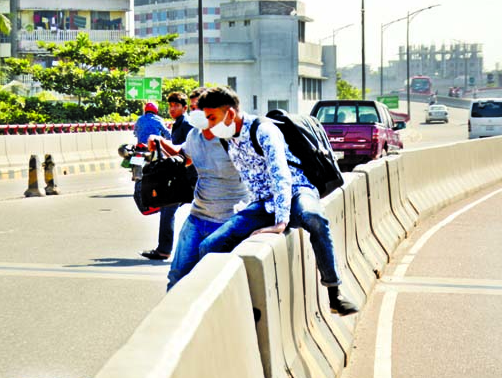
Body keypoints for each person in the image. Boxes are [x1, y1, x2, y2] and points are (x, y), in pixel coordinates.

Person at [196, 86, 359, 316]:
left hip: (296, 190)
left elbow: (280, 174)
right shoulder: (227, 138)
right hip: (263, 202)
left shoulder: (264, 130)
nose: (210, 125)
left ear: (230, 113)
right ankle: (220, 308)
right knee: (209, 246)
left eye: (212, 118)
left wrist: (281, 221)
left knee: (313, 217)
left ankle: (335, 294)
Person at [149, 88, 250, 289]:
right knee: (177, 276)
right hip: (197, 218)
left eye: (200, 109)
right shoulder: (195, 135)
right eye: (194, 109)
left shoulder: (236, 139)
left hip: (227, 221)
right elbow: (185, 157)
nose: (197, 115)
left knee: (214, 283)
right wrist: (159, 141)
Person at [140, 92, 195, 261]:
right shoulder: (177, 124)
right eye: (170, 106)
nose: (172, 109)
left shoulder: (186, 124)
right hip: (183, 174)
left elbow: (186, 151)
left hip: (189, 176)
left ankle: (165, 250)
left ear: (185, 108)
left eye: (176, 106)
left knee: (168, 208)